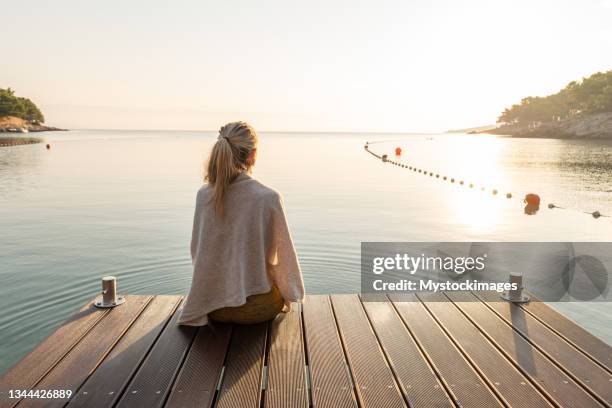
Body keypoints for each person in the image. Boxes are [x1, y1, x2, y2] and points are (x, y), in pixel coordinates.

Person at [178, 122, 304, 326]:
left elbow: (197, 253)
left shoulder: (203, 195)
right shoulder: (268, 198)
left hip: (214, 307)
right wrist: (292, 292)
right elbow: (284, 257)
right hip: (259, 309)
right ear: (252, 154)